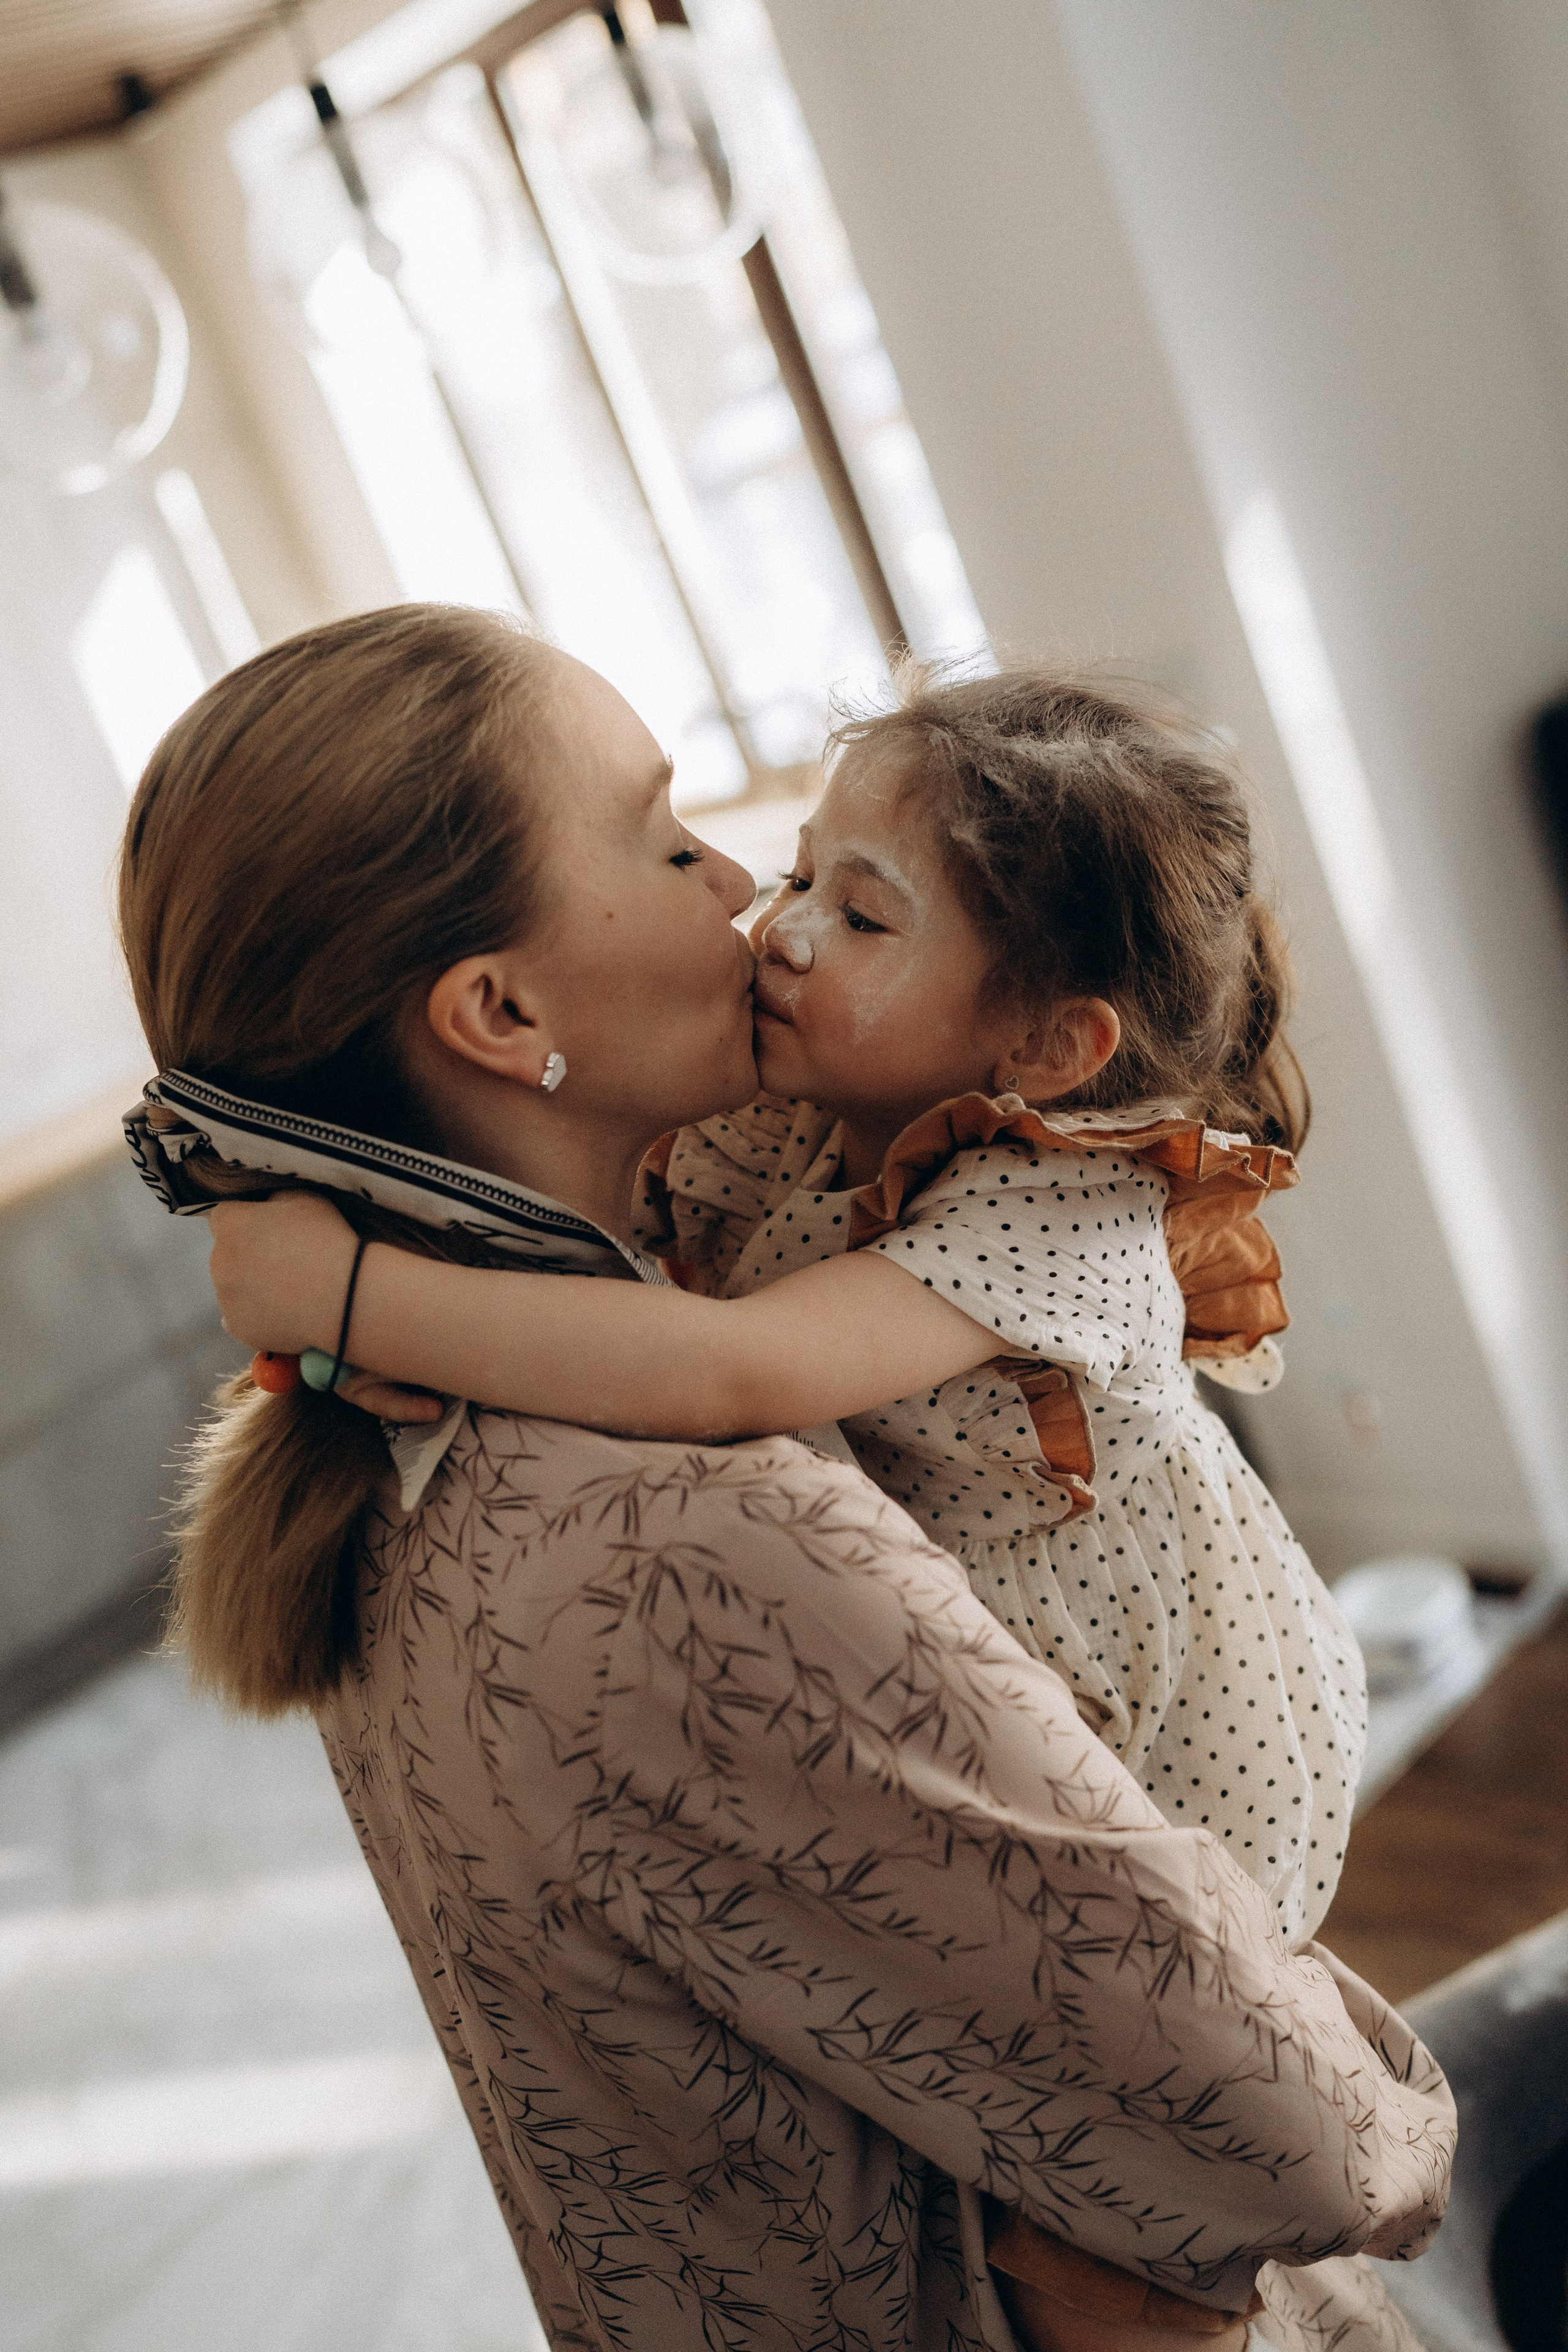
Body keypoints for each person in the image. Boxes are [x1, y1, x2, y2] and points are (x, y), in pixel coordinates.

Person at [121, 606, 1451, 2352]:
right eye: (668, 840)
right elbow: (1309, 2148)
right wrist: (1397, 2122)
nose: (745, 887)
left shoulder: (402, 1425)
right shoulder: (706, 1532)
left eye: (841, 892)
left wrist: (335, 1271)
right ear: (502, 1009)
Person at [209, 665, 1360, 1948]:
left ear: (1042, 1049)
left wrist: (351, 1297)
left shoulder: (1057, 1214)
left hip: (1151, 1707)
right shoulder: (782, 1117)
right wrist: (386, 1329)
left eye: (862, 919)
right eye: (805, 872)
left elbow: (725, 1369)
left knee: (1181, 1974)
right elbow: (612, 1276)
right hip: (960, 1674)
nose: (779, 921)